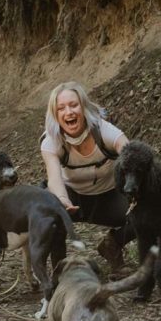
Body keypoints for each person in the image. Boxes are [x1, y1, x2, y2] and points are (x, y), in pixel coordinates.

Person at [40, 81, 133, 269]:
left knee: (147, 210)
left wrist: (138, 193)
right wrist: (62, 199)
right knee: (47, 210)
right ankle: (59, 270)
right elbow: (54, 179)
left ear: (84, 107)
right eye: (61, 108)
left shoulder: (105, 132)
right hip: (72, 197)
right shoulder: (51, 142)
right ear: (56, 115)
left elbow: (133, 158)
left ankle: (113, 244)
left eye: (74, 105)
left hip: (110, 197)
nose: (69, 112)